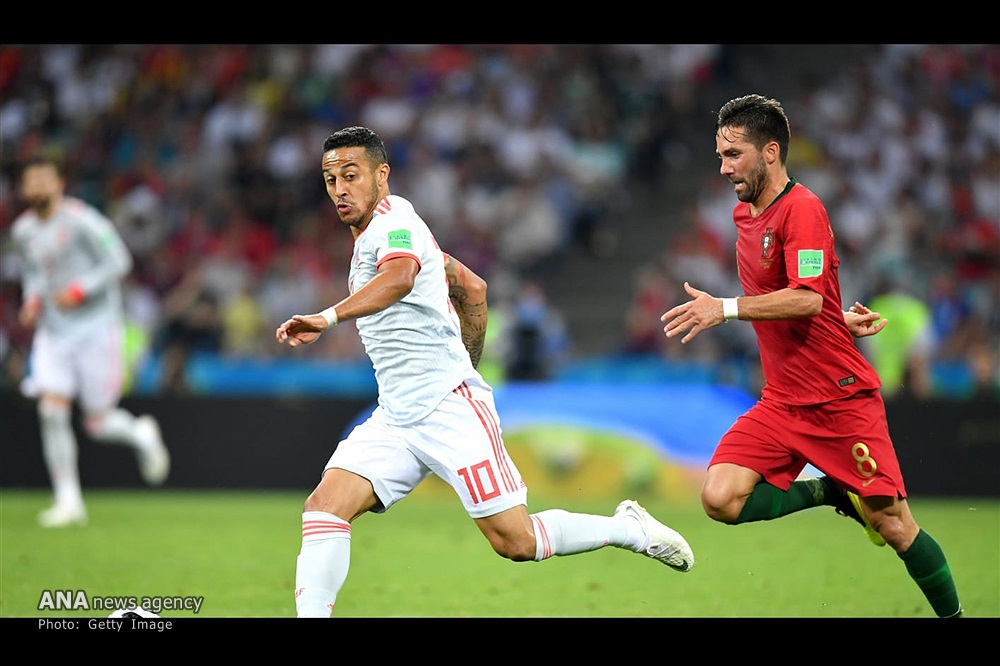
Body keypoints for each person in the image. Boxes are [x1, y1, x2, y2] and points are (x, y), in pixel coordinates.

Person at [276, 126, 694, 617]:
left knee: (517, 541)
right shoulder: (377, 236)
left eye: (352, 175)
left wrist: (328, 318)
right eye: (331, 180)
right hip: (396, 416)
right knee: (324, 508)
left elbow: (400, 276)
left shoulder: (394, 220)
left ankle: (629, 529)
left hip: (448, 411)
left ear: (381, 175)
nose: (340, 190)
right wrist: (466, 362)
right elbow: (472, 287)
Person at [659, 94, 963, 618]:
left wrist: (724, 308)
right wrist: (836, 320)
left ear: (770, 152)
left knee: (893, 524)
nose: (724, 167)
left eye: (733, 154)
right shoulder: (743, 213)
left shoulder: (803, 209)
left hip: (838, 399)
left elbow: (806, 299)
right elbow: (802, 300)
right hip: (783, 401)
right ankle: (829, 493)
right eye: (720, 155)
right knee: (720, 498)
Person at [11, 156, 170, 528]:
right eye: (31, 180)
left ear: (59, 184)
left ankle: (141, 434)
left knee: (97, 423)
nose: (37, 187)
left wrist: (82, 289)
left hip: (97, 328)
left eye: (44, 179)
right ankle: (68, 501)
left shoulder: (83, 220)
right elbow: (34, 273)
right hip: (53, 331)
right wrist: (31, 300)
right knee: (51, 411)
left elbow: (119, 260)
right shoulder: (22, 231)